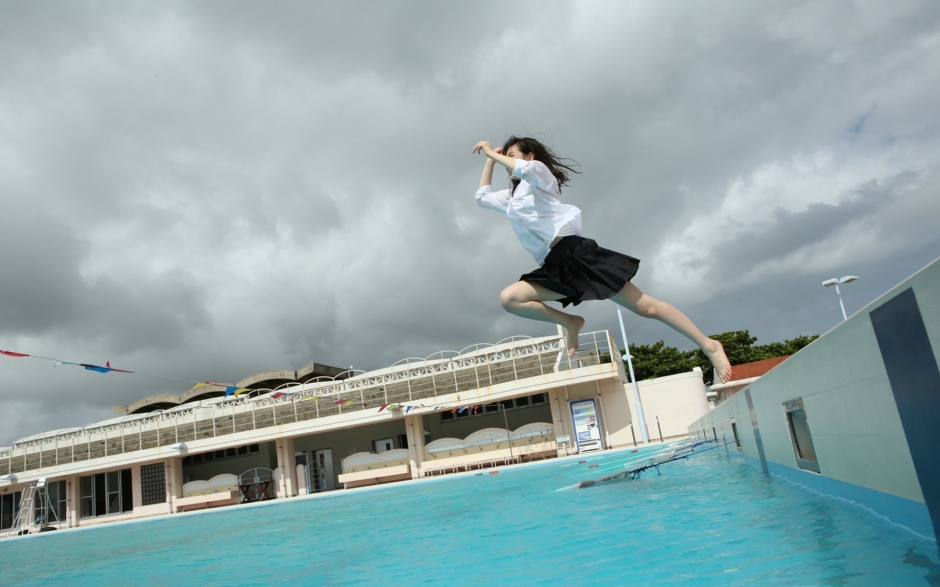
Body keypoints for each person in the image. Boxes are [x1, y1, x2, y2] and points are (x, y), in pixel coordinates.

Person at [472, 136, 732, 383]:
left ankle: (710, 346)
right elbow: (482, 198)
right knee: (511, 298)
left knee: (647, 308)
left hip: (578, 255)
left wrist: (490, 151)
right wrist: (490, 160)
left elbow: (524, 169)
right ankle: (570, 322)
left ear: (529, 156)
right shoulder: (512, 199)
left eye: (512, 155)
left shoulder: (539, 175)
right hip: (554, 264)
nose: (508, 162)